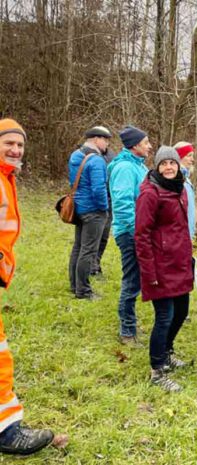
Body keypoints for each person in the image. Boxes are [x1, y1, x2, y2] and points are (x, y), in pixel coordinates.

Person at [0, 119, 54, 455]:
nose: (16, 150)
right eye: (9, 143)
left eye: (20, 145)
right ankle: (7, 431)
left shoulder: (7, 178)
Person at [135, 146, 193, 392]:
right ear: (157, 167)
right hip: (159, 267)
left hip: (179, 263)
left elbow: (180, 229)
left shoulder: (179, 188)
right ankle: (157, 370)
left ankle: (167, 352)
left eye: (173, 163)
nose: (169, 168)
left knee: (181, 312)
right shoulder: (150, 194)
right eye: (164, 164)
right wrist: (149, 273)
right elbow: (141, 236)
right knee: (165, 316)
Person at [108, 125, 151, 344]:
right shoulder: (125, 168)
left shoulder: (139, 167)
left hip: (141, 232)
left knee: (138, 280)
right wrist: (139, 232)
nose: (149, 146)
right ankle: (127, 331)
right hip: (130, 233)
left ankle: (130, 325)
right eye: (145, 143)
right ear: (135, 145)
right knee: (132, 280)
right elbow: (123, 205)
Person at [67, 126, 111, 299]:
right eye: (105, 139)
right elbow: (99, 189)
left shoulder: (75, 155)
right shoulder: (97, 161)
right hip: (94, 211)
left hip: (78, 208)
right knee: (88, 251)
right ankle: (83, 291)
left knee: (78, 248)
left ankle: (74, 285)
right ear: (95, 139)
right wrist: (104, 208)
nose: (107, 143)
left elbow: (74, 181)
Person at [92, 146, 117, 277]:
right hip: (95, 204)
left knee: (104, 236)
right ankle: (92, 266)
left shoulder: (112, 157)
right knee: (93, 237)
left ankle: (96, 263)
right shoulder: (89, 155)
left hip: (109, 201)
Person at [173, 142, 196, 239]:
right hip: (178, 235)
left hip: (187, 234)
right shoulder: (174, 179)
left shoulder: (186, 179)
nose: (192, 159)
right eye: (189, 156)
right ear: (179, 157)